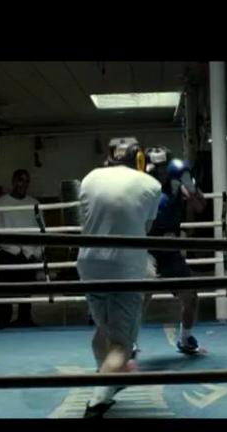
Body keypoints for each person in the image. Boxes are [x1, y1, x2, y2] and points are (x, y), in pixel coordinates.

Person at [76, 143, 161, 418]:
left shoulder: (89, 178)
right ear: (140, 160)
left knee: (102, 332)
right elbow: (145, 228)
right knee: (121, 346)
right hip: (125, 268)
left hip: (89, 265)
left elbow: (86, 218)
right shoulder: (151, 184)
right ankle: (97, 400)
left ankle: (108, 378)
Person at [143, 145, 207, 354]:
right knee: (140, 294)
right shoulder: (139, 187)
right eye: (156, 167)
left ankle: (186, 339)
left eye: (163, 167)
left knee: (191, 295)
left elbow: (200, 206)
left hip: (170, 251)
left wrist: (191, 186)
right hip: (145, 250)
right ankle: (128, 341)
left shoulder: (178, 185)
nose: (159, 172)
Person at [0, 169, 44, 329]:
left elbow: (42, 230)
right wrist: (13, 249)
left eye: (27, 181)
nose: (23, 184)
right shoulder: (0, 204)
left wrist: (36, 252)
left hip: (29, 253)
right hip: (8, 253)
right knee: (5, 290)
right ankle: (2, 321)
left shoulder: (34, 204)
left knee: (26, 290)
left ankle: (24, 318)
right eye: (20, 180)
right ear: (13, 181)